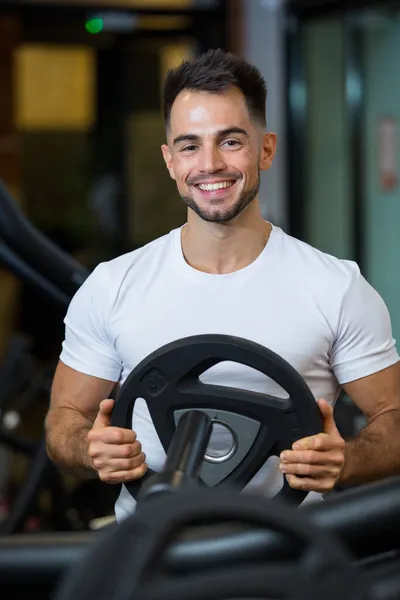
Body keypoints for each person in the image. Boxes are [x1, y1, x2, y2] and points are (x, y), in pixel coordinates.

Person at [45, 49, 400, 522]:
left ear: (266, 149)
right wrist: (91, 450)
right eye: (190, 146)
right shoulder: (113, 285)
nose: (209, 165)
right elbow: (62, 419)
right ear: (170, 161)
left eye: (231, 141)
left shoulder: (335, 288)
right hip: (149, 556)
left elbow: (393, 419)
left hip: (286, 556)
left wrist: (347, 460)